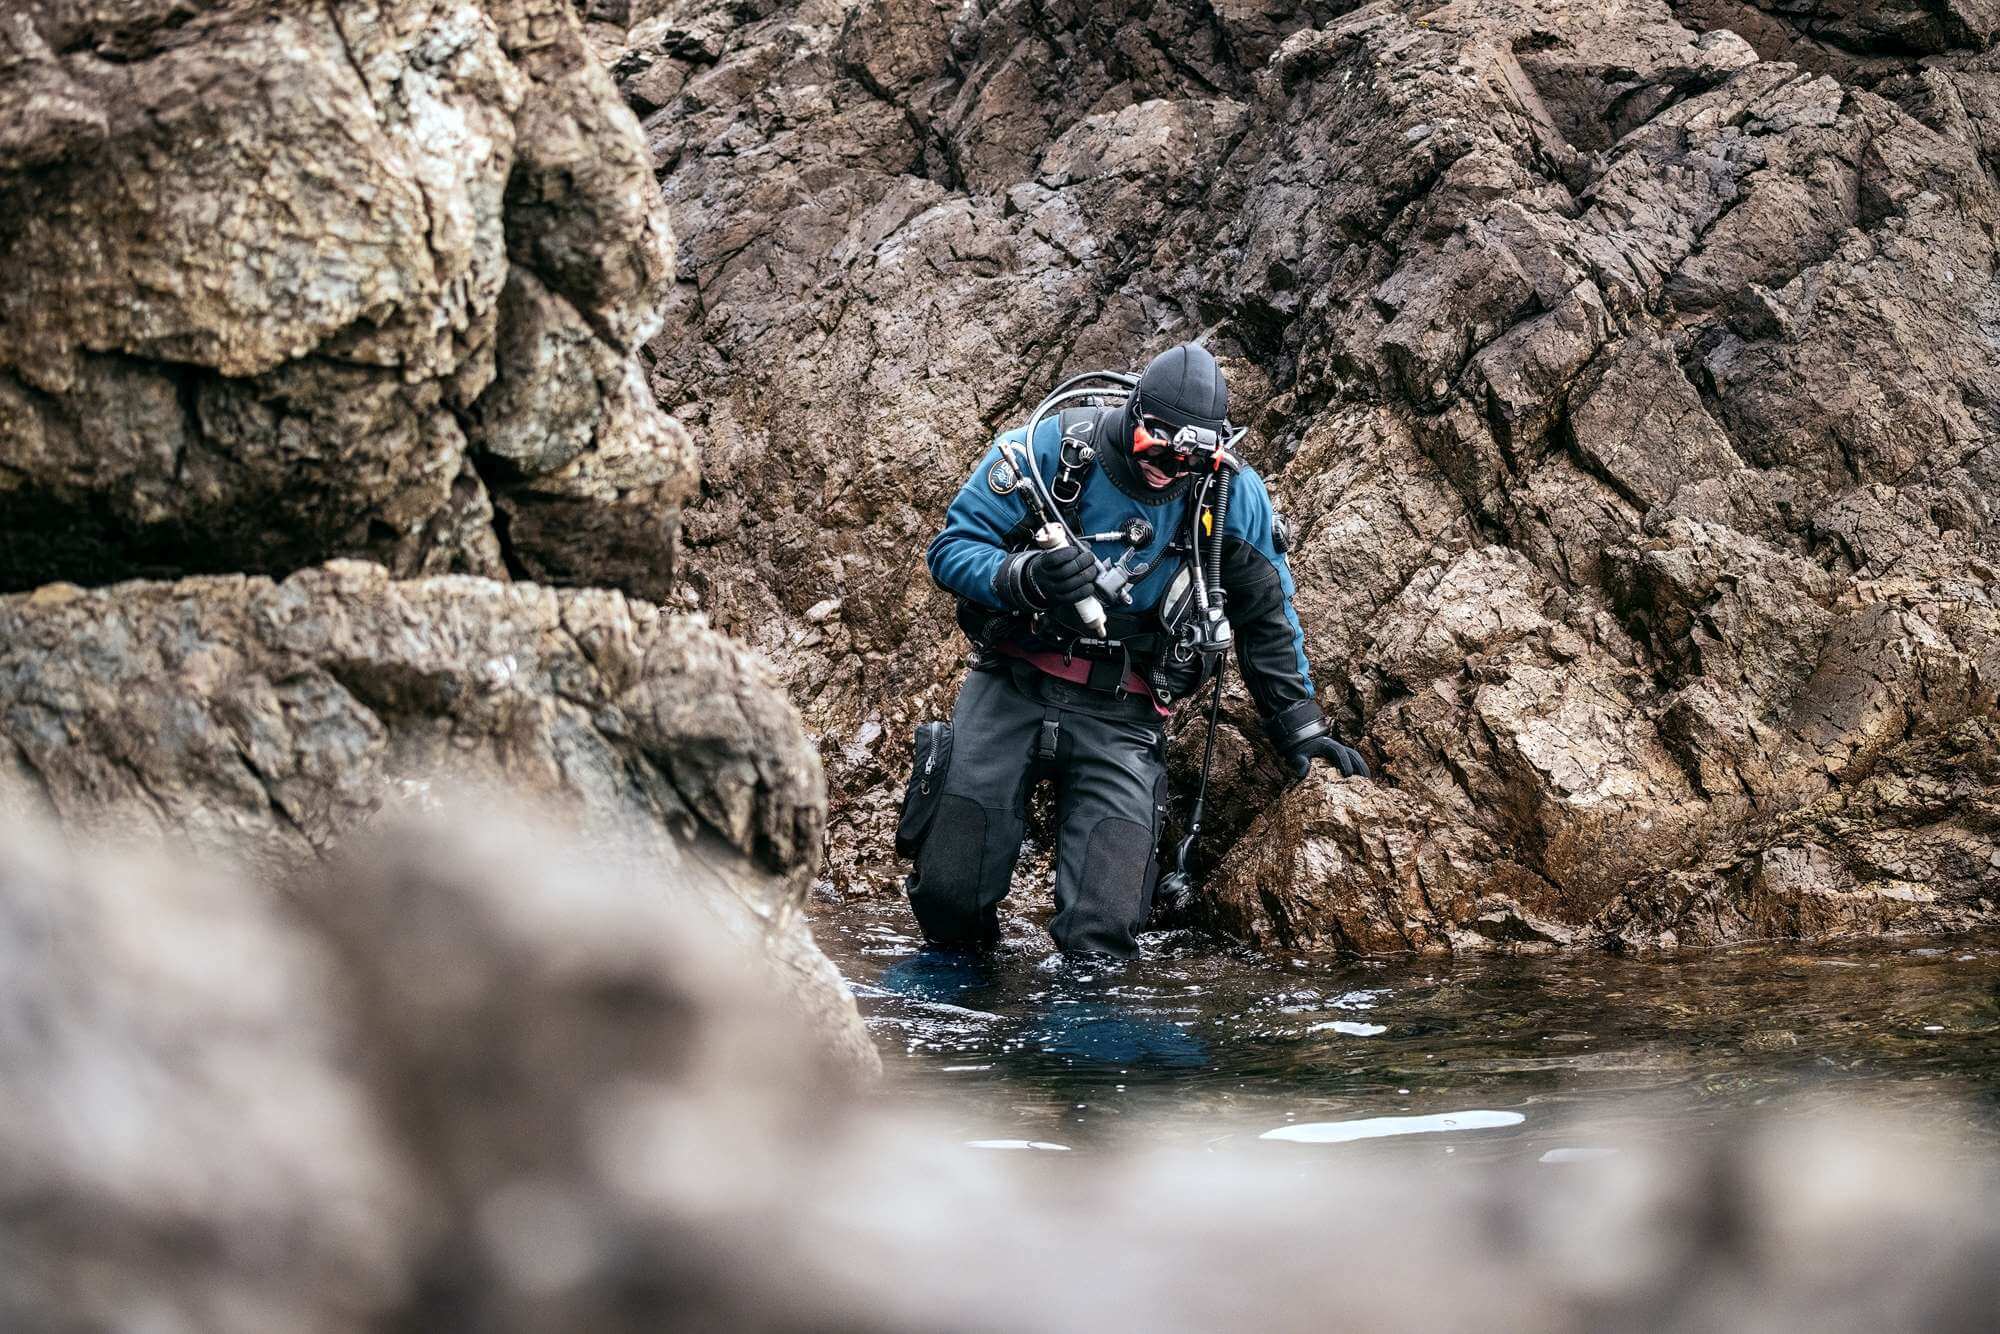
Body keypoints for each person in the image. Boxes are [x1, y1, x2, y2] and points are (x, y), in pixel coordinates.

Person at [905, 342, 1368, 958]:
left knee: (1103, 934)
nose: (1167, 470)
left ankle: (1085, 1041)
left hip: (1123, 710)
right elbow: (953, 548)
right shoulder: (1049, 450)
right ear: (1133, 413)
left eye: (1186, 460)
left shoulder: (1231, 496)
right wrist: (1025, 577)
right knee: (949, 900)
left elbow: (1266, 619)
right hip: (1012, 679)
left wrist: (1302, 731)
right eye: (1156, 449)